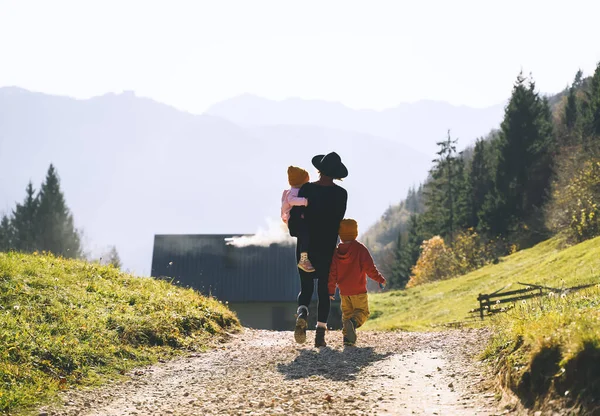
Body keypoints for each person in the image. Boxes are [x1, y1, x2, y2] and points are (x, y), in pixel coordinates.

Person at [289, 152, 348, 347]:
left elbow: (295, 219)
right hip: (327, 248)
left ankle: (302, 313)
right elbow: (338, 220)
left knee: (305, 288)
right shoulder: (341, 194)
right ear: (336, 174)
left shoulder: (306, 189)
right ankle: (320, 334)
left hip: (305, 248)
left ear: (319, 169)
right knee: (324, 291)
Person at [328, 218, 387, 346]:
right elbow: (370, 268)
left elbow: (332, 273)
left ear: (340, 234)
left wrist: (330, 290)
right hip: (358, 290)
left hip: (344, 292)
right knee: (362, 312)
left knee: (347, 315)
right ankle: (353, 324)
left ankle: (347, 339)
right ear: (355, 232)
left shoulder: (336, 252)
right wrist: (380, 279)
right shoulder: (360, 249)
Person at [281, 166, 314, 273]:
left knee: (306, 236)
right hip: (295, 222)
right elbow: (291, 200)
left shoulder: (296, 190)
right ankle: (303, 259)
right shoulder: (293, 192)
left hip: (296, 221)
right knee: (305, 235)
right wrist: (305, 201)